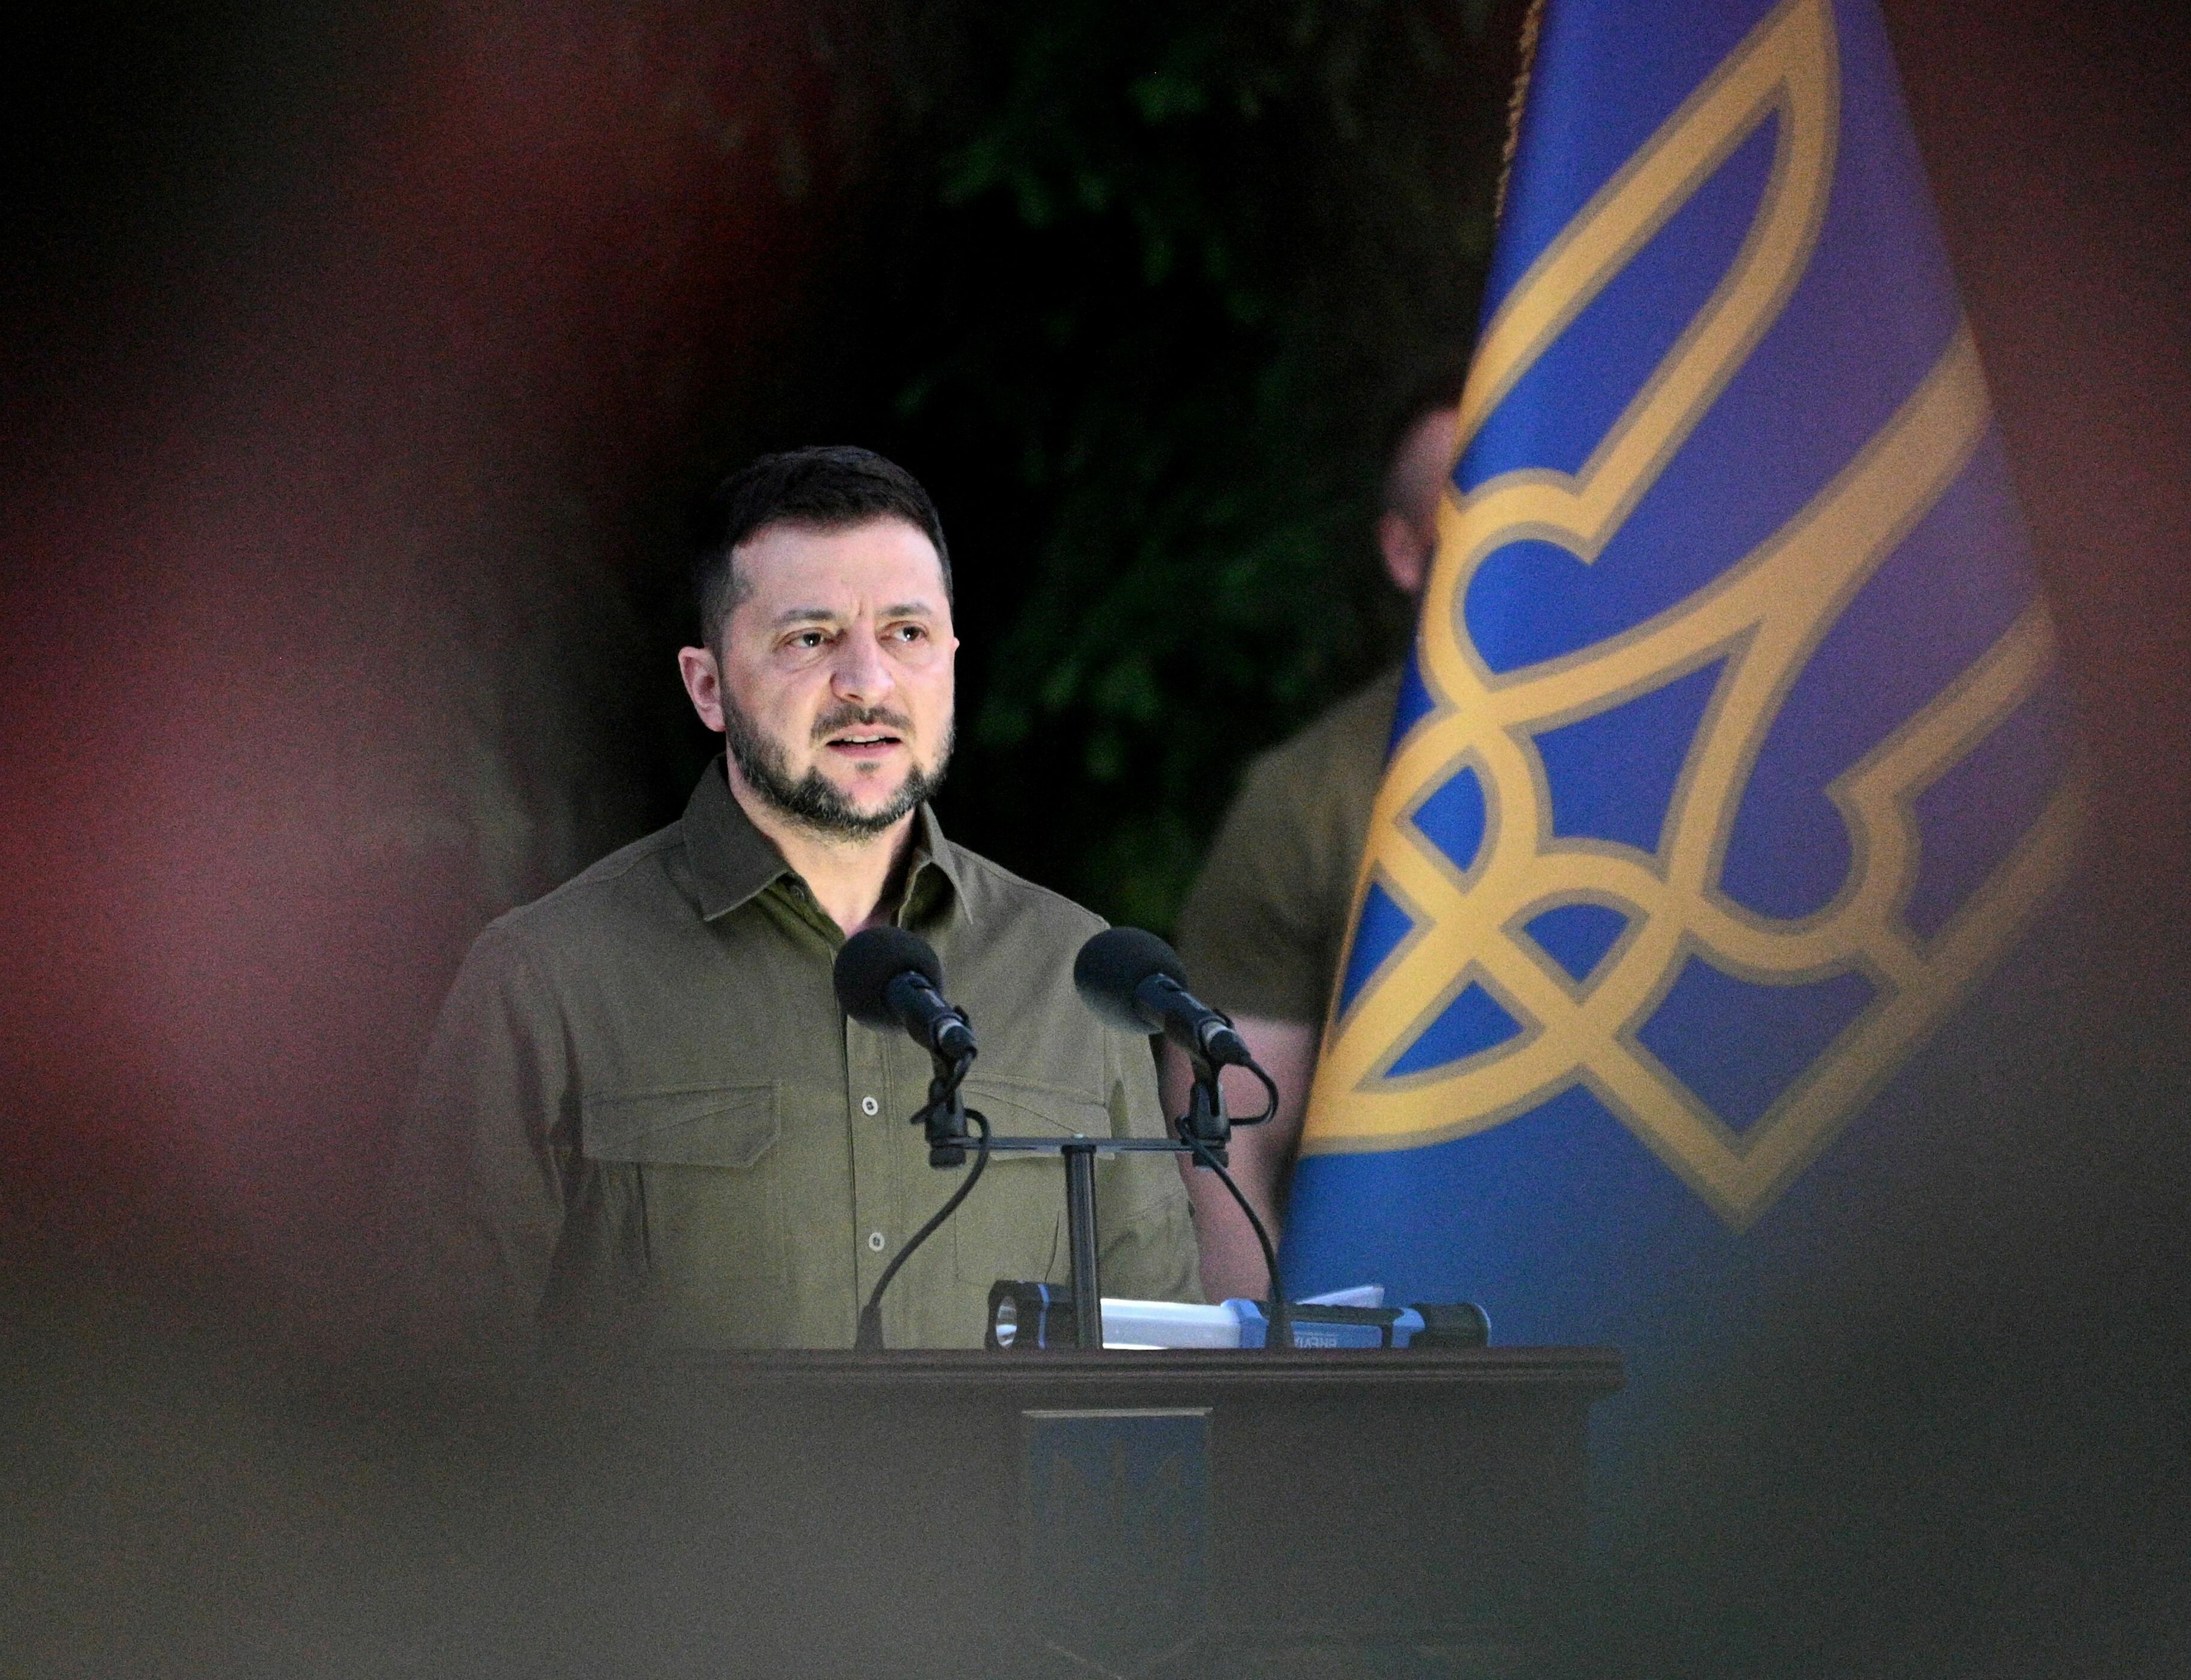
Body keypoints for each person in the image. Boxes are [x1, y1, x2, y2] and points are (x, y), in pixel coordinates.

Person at [391, 446, 1200, 1356]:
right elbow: (434, 1392)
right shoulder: (547, 979)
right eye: (808, 639)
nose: (867, 681)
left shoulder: (1076, 973)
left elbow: (1155, 1368)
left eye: (906, 633)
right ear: (707, 686)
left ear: (950, 660)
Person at [1170, 399, 1462, 1300]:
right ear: (1403, 551)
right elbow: (1224, 1147)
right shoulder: (1304, 802)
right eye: (1472, 512)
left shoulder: (1711, 757)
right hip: (1410, 1351)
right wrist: (1267, 1392)